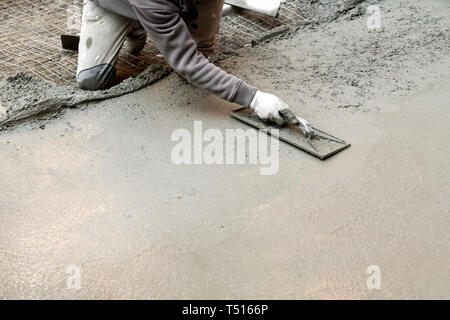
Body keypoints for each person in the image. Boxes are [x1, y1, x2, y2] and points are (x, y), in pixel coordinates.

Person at [76, 0, 298, 125]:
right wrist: (254, 98)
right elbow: (187, 63)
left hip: (161, 6)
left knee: (203, 53)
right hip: (112, 4)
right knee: (93, 79)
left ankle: (151, 21)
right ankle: (136, 24)